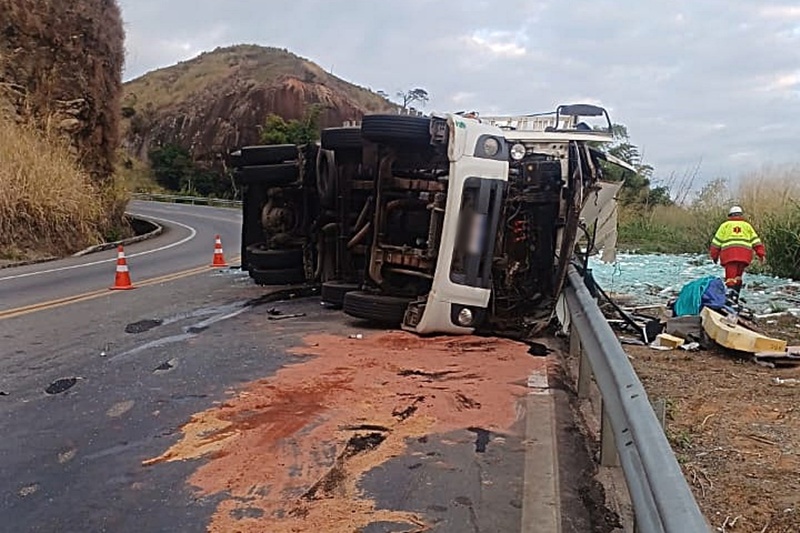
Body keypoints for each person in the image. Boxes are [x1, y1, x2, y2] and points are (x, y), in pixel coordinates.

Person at [708, 205, 766, 296]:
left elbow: (716, 243)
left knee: (730, 278)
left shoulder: (725, 226)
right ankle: (736, 296)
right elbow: (756, 241)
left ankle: (731, 298)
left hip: (729, 256)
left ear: (730, 215)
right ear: (741, 215)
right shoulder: (747, 226)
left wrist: (714, 256)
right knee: (738, 276)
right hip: (744, 257)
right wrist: (761, 254)